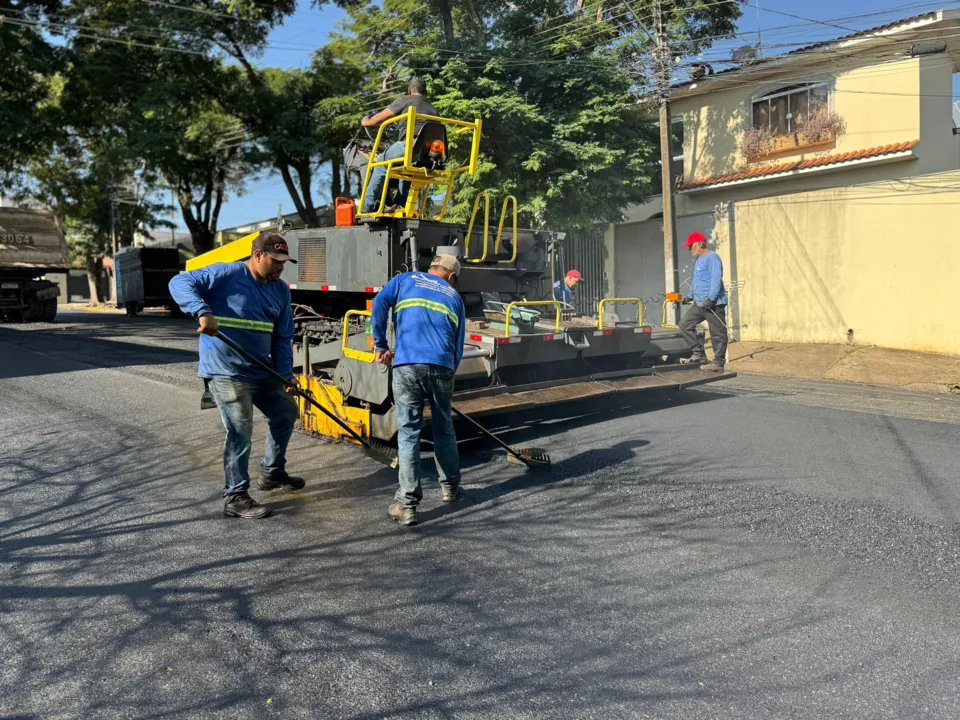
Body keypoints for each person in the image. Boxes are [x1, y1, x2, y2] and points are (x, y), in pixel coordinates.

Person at [169, 233, 303, 520]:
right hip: (226, 370)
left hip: (260, 369)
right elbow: (179, 282)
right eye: (275, 261)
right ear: (257, 255)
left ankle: (272, 473)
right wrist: (202, 311)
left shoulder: (280, 290)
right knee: (240, 429)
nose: (280, 267)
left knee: (286, 412)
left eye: (284, 262)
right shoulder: (227, 273)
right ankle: (235, 496)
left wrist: (285, 374)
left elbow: (282, 337)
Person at [371, 254, 466, 527]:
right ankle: (451, 489)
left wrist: (380, 345)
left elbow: (379, 303)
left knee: (410, 432)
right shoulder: (454, 296)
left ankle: (407, 504)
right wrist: (447, 371)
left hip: (408, 364)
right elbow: (458, 344)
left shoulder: (405, 279)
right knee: (444, 428)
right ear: (450, 276)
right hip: (441, 366)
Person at [360, 76, 440, 214]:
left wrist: (365, 120)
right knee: (407, 170)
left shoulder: (405, 100)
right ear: (425, 92)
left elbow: (376, 120)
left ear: (409, 91)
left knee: (379, 165)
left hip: (409, 146)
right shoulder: (434, 110)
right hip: (429, 154)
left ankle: (366, 208)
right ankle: (400, 207)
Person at [679, 230, 728, 373]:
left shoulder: (713, 257)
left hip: (713, 304)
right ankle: (699, 354)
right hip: (699, 303)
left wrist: (711, 298)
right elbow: (696, 279)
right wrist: (690, 295)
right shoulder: (698, 259)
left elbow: (716, 278)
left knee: (717, 332)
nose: (689, 249)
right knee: (684, 325)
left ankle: (718, 362)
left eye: (691, 246)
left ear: (700, 243)